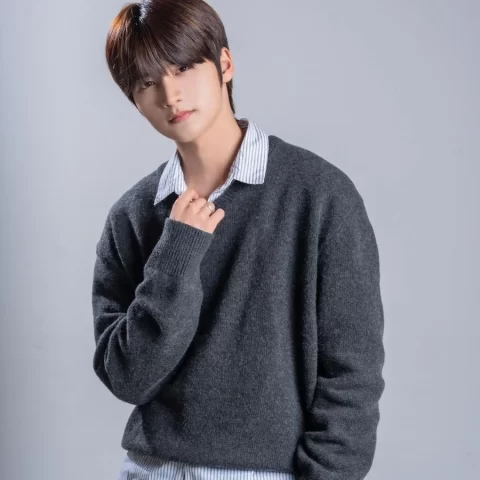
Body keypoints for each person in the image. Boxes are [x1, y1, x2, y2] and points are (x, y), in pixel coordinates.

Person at [92, 1, 386, 479]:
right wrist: (177, 252)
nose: (170, 94)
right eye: (147, 82)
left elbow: (352, 373)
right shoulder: (132, 215)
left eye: (183, 68)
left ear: (224, 64)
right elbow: (129, 378)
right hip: (151, 469)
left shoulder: (319, 195)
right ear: (135, 101)